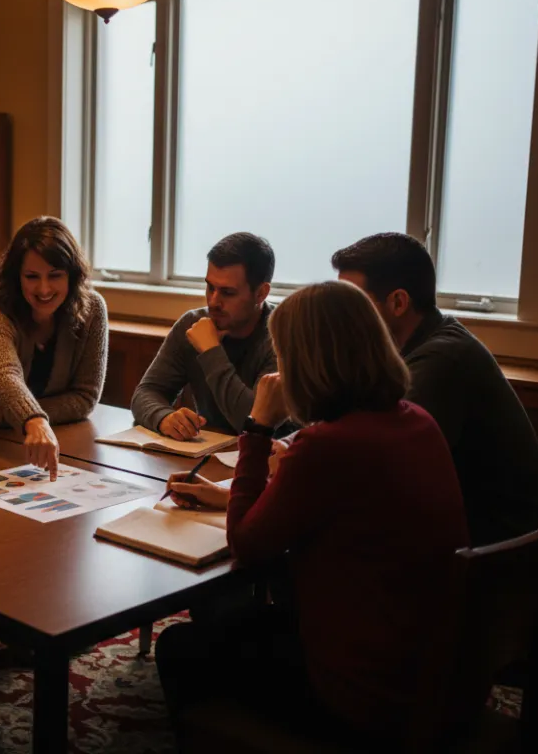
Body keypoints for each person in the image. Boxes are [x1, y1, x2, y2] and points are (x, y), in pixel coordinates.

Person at [155, 280, 469, 747]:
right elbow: (328, 512)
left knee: (179, 646)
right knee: (239, 626)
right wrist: (231, 495)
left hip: (359, 696)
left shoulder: (328, 446)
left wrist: (258, 428)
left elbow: (247, 544)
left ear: (306, 362)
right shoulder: (415, 420)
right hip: (434, 671)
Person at [332, 232, 538, 546]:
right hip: (472, 544)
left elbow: (381, 466)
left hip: (499, 561)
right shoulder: (406, 346)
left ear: (398, 302)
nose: (341, 317)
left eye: (352, 304)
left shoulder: (443, 359)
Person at [0, 216, 107, 479]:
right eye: (32, 276)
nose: (43, 288)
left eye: (55, 275)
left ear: (72, 275)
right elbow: (4, 376)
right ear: (16, 277)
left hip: (33, 439)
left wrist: (6, 416)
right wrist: (33, 420)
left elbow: (85, 397)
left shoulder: (93, 310)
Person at [131, 232, 281, 440]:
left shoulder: (284, 334)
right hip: (204, 454)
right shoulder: (192, 323)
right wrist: (164, 417)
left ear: (261, 293)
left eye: (228, 293)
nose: (213, 302)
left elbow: (253, 423)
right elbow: (146, 392)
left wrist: (211, 352)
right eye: (210, 287)